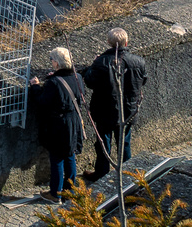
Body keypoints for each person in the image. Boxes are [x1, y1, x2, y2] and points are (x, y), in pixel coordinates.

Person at [83, 27, 147, 181]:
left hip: (104, 110)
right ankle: (127, 174)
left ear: (108, 43)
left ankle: (102, 174)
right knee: (124, 143)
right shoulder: (138, 61)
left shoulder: (101, 62)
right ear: (126, 42)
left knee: (103, 144)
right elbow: (143, 80)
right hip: (129, 110)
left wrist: (93, 65)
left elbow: (90, 81)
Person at [29, 46, 92, 201]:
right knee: (70, 155)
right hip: (74, 121)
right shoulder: (77, 76)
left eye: (51, 60)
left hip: (59, 124)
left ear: (56, 63)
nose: (50, 62)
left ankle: (55, 193)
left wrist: (36, 87)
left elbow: (42, 102)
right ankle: (70, 190)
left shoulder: (54, 83)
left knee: (57, 158)